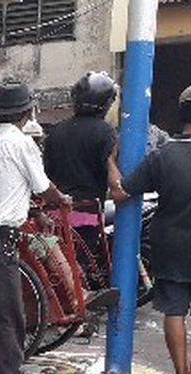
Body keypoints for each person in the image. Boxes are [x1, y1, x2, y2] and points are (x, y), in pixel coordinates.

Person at [0, 81, 72, 374]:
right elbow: (43, 187)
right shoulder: (22, 145)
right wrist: (61, 199)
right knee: (7, 312)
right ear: (28, 112)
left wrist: (34, 210)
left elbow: (4, 190)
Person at [118, 83, 191, 374]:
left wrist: (108, 161)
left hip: (169, 246)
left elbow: (122, 192)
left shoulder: (163, 155)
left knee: (174, 311)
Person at [43, 71, 122, 269]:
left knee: (61, 268)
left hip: (56, 213)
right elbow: (112, 177)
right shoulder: (105, 133)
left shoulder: (56, 131)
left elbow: (47, 172)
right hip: (87, 213)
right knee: (82, 269)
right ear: (106, 104)